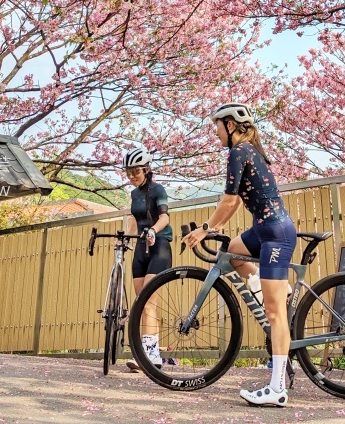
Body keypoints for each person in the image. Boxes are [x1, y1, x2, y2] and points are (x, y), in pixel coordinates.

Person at [184, 103, 296, 407]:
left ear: (231, 125)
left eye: (218, 126)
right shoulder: (248, 150)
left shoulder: (239, 152)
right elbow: (233, 204)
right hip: (263, 231)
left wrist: (206, 228)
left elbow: (230, 201)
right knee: (233, 250)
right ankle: (268, 288)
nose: (216, 132)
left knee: (275, 315)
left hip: (275, 235)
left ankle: (277, 387)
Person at [122, 148, 173, 372]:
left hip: (159, 245)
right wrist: (124, 239)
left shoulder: (158, 189)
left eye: (136, 171)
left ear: (146, 169)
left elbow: (164, 217)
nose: (132, 176)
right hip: (141, 249)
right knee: (141, 303)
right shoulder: (133, 194)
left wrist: (152, 230)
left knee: (150, 301)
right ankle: (148, 353)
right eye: (128, 172)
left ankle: (151, 356)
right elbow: (134, 220)